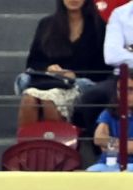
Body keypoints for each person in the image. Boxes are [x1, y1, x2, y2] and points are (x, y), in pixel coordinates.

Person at [17, 0, 109, 129]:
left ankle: (57, 148)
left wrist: (74, 75)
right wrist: (48, 68)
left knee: (49, 101)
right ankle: (27, 148)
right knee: (29, 99)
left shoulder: (99, 27)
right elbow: (33, 62)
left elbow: (104, 69)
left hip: (80, 86)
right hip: (49, 81)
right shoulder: (46, 25)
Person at [74, 0, 132, 135]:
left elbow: (119, 55)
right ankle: (101, 151)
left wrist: (128, 51)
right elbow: (111, 56)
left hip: (125, 70)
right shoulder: (120, 14)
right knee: (91, 98)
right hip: (122, 77)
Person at [87, 79, 132, 169]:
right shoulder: (110, 111)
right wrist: (124, 145)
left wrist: (109, 145)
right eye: (120, 90)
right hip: (108, 163)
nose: (124, 94)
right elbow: (98, 139)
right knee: (91, 172)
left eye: (130, 89)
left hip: (131, 164)